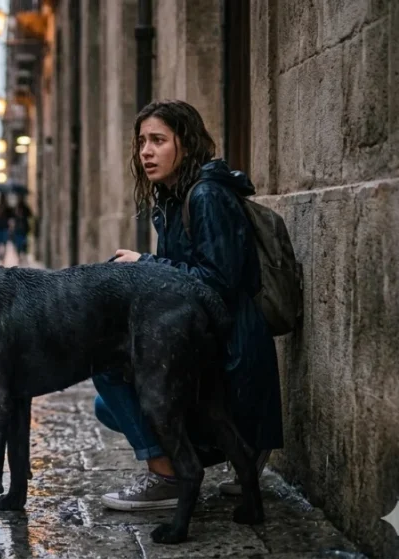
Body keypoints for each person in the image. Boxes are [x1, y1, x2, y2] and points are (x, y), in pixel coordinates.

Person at [95, 99, 283, 511]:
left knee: (108, 368)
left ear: (186, 142)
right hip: (205, 338)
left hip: (229, 352)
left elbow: (216, 282)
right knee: (107, 400)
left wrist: (144, 264)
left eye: (158, 140)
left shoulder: (207, 197)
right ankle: (196, 460)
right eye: (142, 141)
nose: (145, 151)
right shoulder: (174, 199)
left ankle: (170, 476)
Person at [11, 196, 32, 261]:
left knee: (23, 243)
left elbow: (30, 215)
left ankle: (23, 255)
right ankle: (19, 256)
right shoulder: (15, 209)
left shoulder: (25, 208)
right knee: (18, 244)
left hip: (23, 229)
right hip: (18, 230)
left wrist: (23, 215)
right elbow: (12, 217)